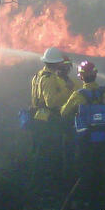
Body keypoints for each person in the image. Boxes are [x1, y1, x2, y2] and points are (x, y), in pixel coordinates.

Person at [61, 60, 105, 200]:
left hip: (86, 139)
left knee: (85, 167)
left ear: (81, 77)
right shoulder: (104, 92)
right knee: (100, 166)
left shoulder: (79, 94)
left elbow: (64, 112)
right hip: (104, 137)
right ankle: (100, 196)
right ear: (95, 75)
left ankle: (86, 198)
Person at [30, 46, 74, 178]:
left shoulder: (38, 75)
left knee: (39, 150)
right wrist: (67, 91)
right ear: (55, 63)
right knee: (52, 151)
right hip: (49, 121)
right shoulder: (49, 79)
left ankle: (37, 179)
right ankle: (51, 180)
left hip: (38, 118)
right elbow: (52, 102)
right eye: (60, 62)